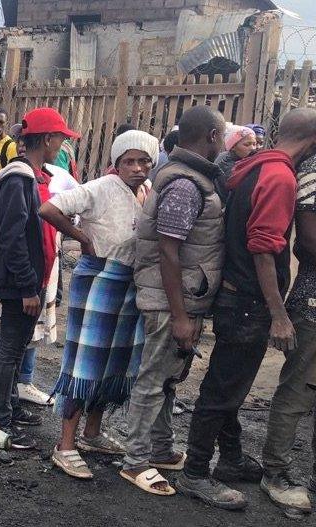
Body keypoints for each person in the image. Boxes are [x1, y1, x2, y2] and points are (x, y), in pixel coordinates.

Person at [177, 107, 316, 510]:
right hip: (249, 301)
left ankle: (232, 459)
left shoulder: (254, 164)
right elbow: (262, 245)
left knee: (230, 384)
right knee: (222, 389)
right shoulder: (280, 176)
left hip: (236, 293)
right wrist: (278, 314)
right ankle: (195, 473)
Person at [120, 106, 227, 497]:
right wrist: (180, 314)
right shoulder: (185, 184)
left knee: (168, 377)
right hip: (170, 301)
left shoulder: (192, 177)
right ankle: (135, 462)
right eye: (223, 135)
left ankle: (160, 449)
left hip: (180, 297)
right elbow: (168, 251)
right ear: (212, 137)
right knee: (152, 378)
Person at [40, 130, 160, 479]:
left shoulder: (145, 192)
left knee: (116, 361)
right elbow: (50, 208)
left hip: (130, 280)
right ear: (116, 163)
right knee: (86, 361)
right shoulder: (102, 187)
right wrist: (82, 238)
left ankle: (92, 434)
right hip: (99, 278)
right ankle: (65, 445)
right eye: (129, 162)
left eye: (143, 161)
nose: (137, 168)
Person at [0, 107, 78, 445]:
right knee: (10, 346)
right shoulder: (19, 178)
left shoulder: (33, 176)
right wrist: (26, 286)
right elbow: (12, 236)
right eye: (61, 138)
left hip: (28, 279)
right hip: (18, 281)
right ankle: (2, 418)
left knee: (18, 344)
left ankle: (10, 406)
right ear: (47, 139)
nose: (63, 145)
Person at [261, 153, 316, 516]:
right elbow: (307, 243)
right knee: (297, 391)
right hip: (312, 304)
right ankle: (275, 473)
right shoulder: (313, 170)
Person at [214, 124, 259, 202]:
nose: (252, 148)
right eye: (247, 144)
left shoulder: (238, 160)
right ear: (233, 146)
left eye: (254, 144)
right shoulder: (228, 167)